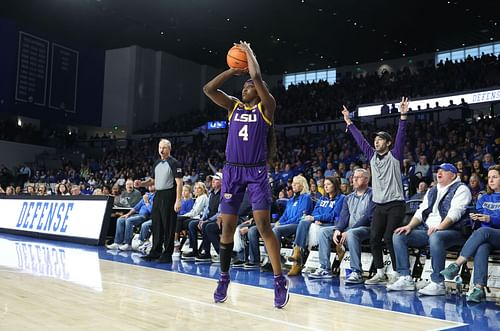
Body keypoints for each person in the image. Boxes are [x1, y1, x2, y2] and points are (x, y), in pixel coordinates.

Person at [203, 40, 289, 308]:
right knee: (226, 226)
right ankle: (224, 277)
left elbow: (257, 76)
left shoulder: (267, 108)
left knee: (263, 225)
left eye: (250, 86)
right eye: (244, 87)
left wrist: (249, 54)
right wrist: (232, 69)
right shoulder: (233, 107)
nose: (246, 87)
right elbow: (208, 89)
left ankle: (279, 280)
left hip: (256, 172)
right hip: (232, 171)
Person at [342, 97, 409, 284]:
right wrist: (349, 122)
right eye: (376, 140)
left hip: (396, 204)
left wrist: (403, 115)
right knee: (374, 238)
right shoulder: (371, 156)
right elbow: (360, 140)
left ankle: (397, 273)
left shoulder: (395, 155)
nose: (376, 142)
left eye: (380, 140)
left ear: (388, 143)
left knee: (389, 237)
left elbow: (401, 136)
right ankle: (380, 272)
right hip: (379, 205)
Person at [388, 163, 471, 295]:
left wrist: (439, 227)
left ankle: (438, 283)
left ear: (453, 175)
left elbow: (455, 213)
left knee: (436, 236)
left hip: (454, 231)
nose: (439, 173)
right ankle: (405, 278)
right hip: (428, 230)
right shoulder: (432, 190)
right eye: (438, 170)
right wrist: (409, 226)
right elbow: (421, 211)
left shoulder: (461, 189)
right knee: (399, 235)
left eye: (444, 171)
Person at [440, 165, 500, 303]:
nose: (491, 180)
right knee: (482, 246)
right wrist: (475, 218)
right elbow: (479, 221)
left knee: (483, 232)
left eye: (495, 177)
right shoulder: (484, 198)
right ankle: (479, 288)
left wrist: (490, 219)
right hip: (486, 235)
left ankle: (457, 264)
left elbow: (488, 222)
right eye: (489, 177)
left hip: (493, 233)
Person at [309, 168, 374, 282]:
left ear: (366, 180)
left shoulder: (373, 194)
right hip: (348, 228)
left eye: (357, 178)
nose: (354, 180)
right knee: (323, 231)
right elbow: (344, 217)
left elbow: (367, 217)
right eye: (353, 178)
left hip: (366, 228)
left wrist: (349, 231)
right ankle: (325, 268)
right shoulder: (348, 197)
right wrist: (338, 229)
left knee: (352, 233)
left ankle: (356, 272)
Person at [134, 139, 183, 263]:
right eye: (160, 147)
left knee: (168, 225)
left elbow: (179, 183)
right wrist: (142, 183)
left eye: (164, 148)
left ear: (169, 149)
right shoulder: (156, 163)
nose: (161, 150)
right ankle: (155, 252)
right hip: (158, 194)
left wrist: (178, 200)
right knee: (157, 224)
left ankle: (167, 254)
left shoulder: (174, 163)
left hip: (169, 194)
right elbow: (153, 181)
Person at [287, 177, 344, 276]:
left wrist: (317, 218)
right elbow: (315, 212)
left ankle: (302, 256)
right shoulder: (322, 198)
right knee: (304, 221)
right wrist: (316, 218)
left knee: (311, 223)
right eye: (324, 184)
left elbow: (333, 215)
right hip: (319, 223)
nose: (325, 186)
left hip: (331, 225)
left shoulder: (342, 198)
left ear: (335, 185)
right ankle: (297, 252)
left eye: (328, 184)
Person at [107, 185, 155, 251]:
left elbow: (152, 211)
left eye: (153, 185)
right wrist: (127, 214)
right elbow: (136, 207)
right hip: (137, 214)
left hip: (146, 216)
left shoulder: (156, 196)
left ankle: (128, 244)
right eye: (150, 185)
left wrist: (147, 202)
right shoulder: (146, 195)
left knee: (129, 220)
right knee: (120, 220)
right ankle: (117, 243)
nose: (150, 186)